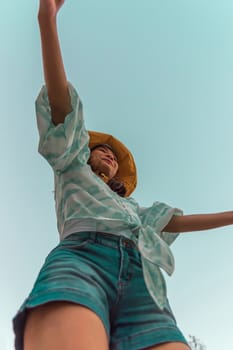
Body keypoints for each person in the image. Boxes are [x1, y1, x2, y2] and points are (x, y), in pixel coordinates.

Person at [13, 1, 233, 349]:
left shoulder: (134, 211)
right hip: (82, 257)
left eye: (115, 156)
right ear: (84, 153)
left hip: (140, 277)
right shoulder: (70, 165)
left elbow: (179, 222)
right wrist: (47, 21)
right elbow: (61, 106)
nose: (109, 154)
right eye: (102, 149)